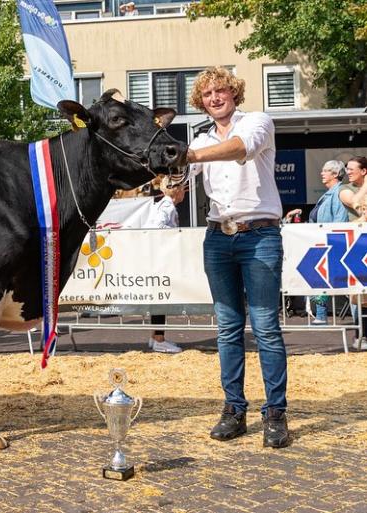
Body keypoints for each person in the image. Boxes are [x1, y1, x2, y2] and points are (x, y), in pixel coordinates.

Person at [187, 66, 290, 448]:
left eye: (221, 91)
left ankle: (275, 413)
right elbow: (182, 179)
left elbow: (240, 149)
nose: (214, 98)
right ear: (202, 102)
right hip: (217, 237)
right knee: (227, 329)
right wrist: (172, 183)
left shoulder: (259, 121)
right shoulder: (199, 138)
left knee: (265, 328)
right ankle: (234, 410)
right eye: (207, 95)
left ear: (234, 93)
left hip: (259, 235)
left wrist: (188, 155)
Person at [285, 161, 349, 324]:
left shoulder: (339, 192)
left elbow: (339, 221)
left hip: (331, 243)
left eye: (326, 171)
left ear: (335, 174)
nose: (322, 173)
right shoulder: (329, 194)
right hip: (323, 242)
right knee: (317, 276)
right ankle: (321, 315)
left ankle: (357, 326)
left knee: (350, 288)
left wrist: (331, 243)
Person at [144, 176, 185, 353]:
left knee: (159, 298)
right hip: (161, 259)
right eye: (182, 188)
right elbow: (156, 227)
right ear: (176, 190)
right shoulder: (167, 206)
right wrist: (173, 237)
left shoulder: (164, 204)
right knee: (161, 298)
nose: (184, 191)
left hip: (159, 258)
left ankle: (156, 337)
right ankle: (159, 339)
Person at [337, 156, 367, 345]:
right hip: (357, 245)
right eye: (346, 169)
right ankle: (360, 335)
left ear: (363, 170)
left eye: (351, 169)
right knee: (359, 294)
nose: (347, 172)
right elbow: (355, 202)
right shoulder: (344, 189)